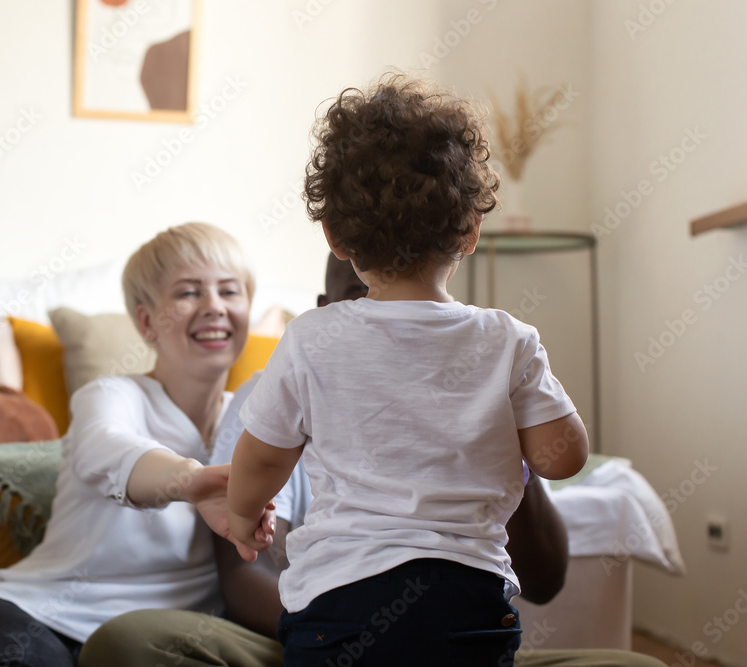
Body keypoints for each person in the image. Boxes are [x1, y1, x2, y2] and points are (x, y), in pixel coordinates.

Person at [78, 252, 666, 667]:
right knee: (132, 643)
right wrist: (354, 641)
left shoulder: (489, 363)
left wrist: (496, 433)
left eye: (411, 305)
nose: (389, 326)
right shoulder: (281, 384)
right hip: (321, 640)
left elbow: (545, 580)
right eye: (363, 300)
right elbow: (243, 569)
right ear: (323, 310)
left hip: (457, 645)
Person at [226, 74, 589, 665]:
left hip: (337, 604)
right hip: (469, 602)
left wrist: (244, 514)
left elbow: (264, 455)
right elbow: (563, 458)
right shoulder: (508, 339)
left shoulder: (311, 338)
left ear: (336, 237)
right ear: (471, 232)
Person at [0, 222, 271, 667]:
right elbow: (109, 448)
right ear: (146, 320)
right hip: (31, 618)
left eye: (230, 291)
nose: (214, 307)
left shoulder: (258, 422)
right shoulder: (110, 397)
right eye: (188, 293)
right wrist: (191, 481)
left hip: (143, 646)